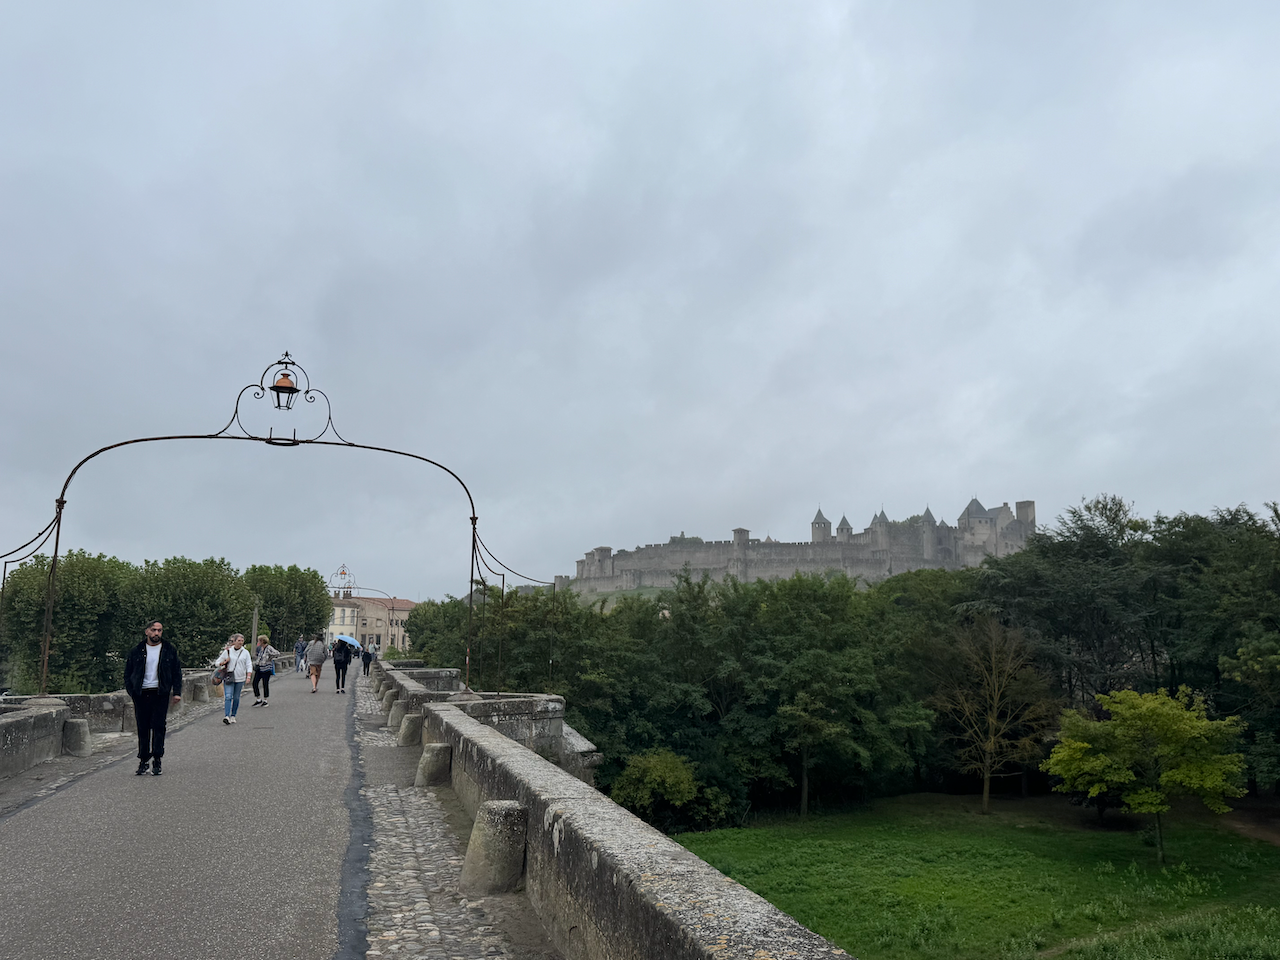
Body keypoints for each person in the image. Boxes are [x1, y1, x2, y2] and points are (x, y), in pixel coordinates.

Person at [123, 620, 183, 776]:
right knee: (142, 728)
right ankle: (143, 760)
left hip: (160, 693)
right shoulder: (137, 650)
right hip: (141, 694)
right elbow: (128, 673)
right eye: (154, 630)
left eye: (160, 630)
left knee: (158, 727)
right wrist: (132, 692)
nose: (157, 633)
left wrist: (177, 692)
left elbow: (177, 672)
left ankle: (157, 759)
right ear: (147, 632)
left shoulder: (169, 650)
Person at [216, 633, 253, 724]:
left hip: (240, 678)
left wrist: (248, 676)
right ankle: (227, 716)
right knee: (228, 696)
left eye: (242, 641)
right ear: (234, 641)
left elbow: (249, 664)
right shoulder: (228, 651)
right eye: (238, 641)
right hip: (229, 677)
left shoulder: (245, 652)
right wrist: (224, 662)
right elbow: (217, 663)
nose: (240, 643)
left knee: (236, 698)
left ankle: (233, 715)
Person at [251, 635, 281, 707]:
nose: (258, 642)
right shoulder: (260, 648)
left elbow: (277, 653)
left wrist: (270, 657)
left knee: (265, 684)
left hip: (266, 668)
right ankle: (258, 699)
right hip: (259, 668)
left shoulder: (269, 648)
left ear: (262, 641)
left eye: (259, 641)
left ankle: (265, 700)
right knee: (254, 683)